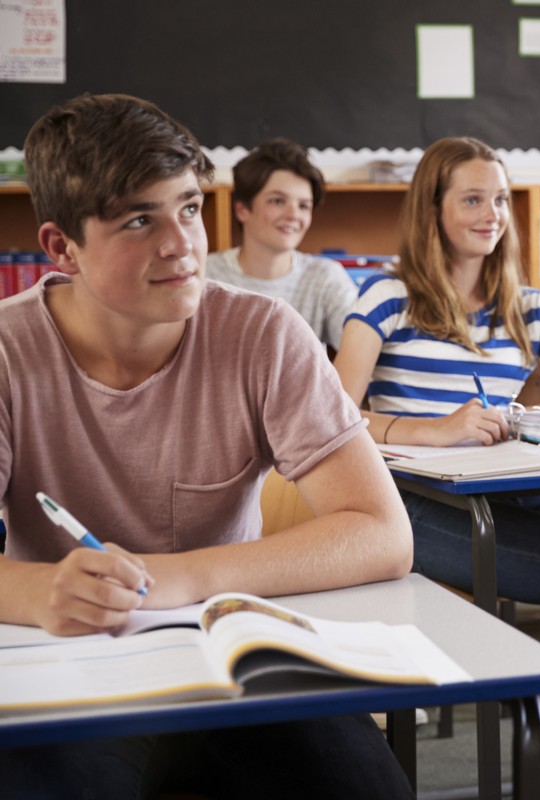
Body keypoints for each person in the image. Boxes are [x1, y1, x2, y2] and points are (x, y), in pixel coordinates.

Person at [0, 94, 414, 797]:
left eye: (188, 208)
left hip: (230, 654)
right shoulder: (9, 350)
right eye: (139, 219)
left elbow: (382, 533)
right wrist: (39, 589)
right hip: (67, 662)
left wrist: (180, 578)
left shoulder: (263, 333)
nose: (180, 244)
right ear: (61, 247)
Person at [332, 136, 540, 800]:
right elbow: (332, 417)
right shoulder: (385, 296)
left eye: (499, 198)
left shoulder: (530, 306)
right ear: (432, 210)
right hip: (415, 508)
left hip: (512, 497)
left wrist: (538, 419)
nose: (491, 213)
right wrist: (433, 431)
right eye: (472, 198)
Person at [206, 137, 356, 350]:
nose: (293, 215)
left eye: (304, 205)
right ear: (242, 210)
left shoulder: (325, 277)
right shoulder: (204, 276)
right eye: (278, 201)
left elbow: (361, 351)